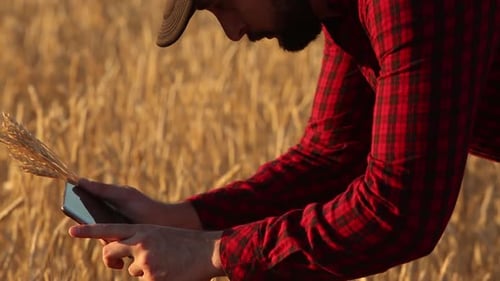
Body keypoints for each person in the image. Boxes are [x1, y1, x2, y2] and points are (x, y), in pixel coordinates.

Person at [69, 0, 500, 280]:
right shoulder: (339, 9)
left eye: (223, 5)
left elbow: (398, 211)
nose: (233, 31)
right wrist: (183, 217)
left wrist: (213, 254)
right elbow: (331, 156)